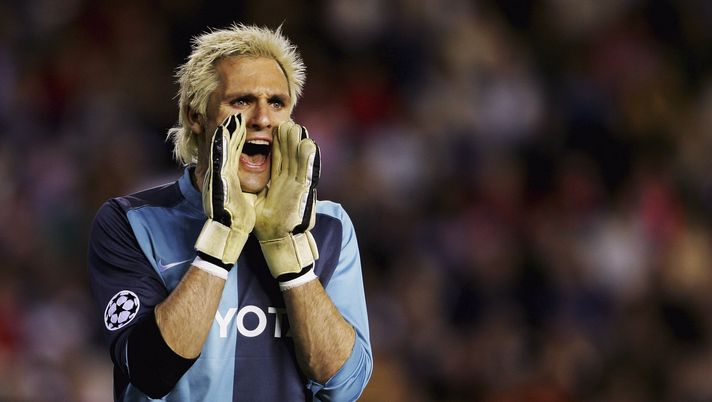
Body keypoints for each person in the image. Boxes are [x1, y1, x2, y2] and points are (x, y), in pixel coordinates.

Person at [87, 23, 372, 401]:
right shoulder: (131, 222)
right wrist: (223, 238)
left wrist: (291, 255)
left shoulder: (329, 226)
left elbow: (345, 387)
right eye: (241, 101)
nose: (262, 119)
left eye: (277, 103)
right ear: (195, 116)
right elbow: (150, 370)